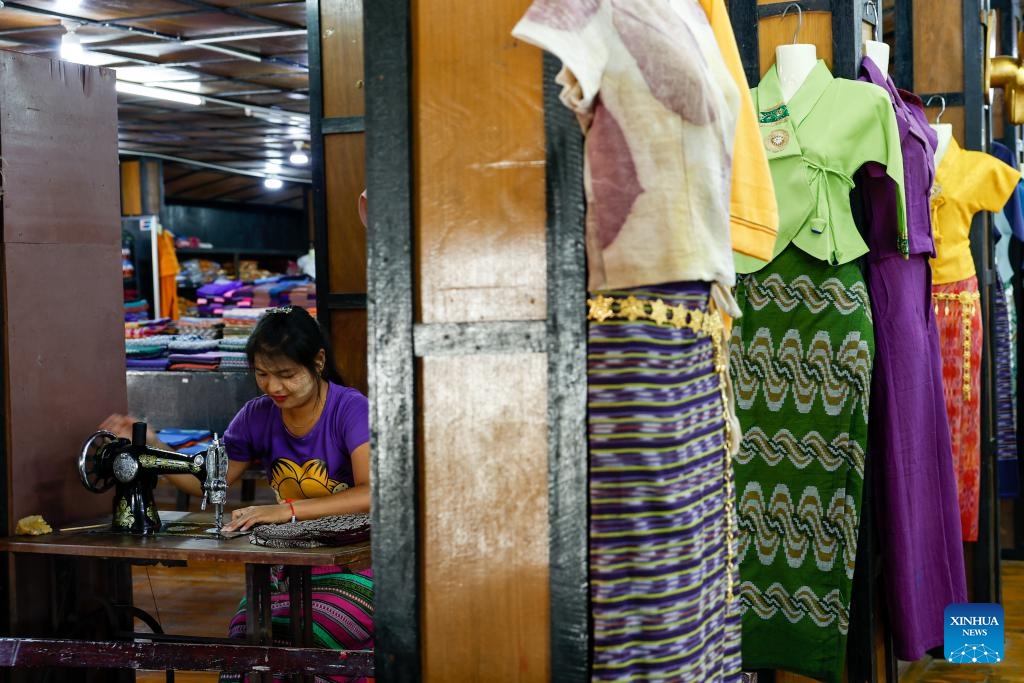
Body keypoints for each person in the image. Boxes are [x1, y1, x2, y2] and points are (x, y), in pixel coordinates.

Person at [100, 306, 373, 682]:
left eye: (287, 375)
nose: (274, 387)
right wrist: (153, 443)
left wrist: (287, 511)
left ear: (318, 361)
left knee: (310, 636)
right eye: (262, 374)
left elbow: (371, 493)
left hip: (359, 565)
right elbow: (207, 482)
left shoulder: (350, 408)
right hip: (288, 570)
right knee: (245, 643)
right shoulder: (256, 415)